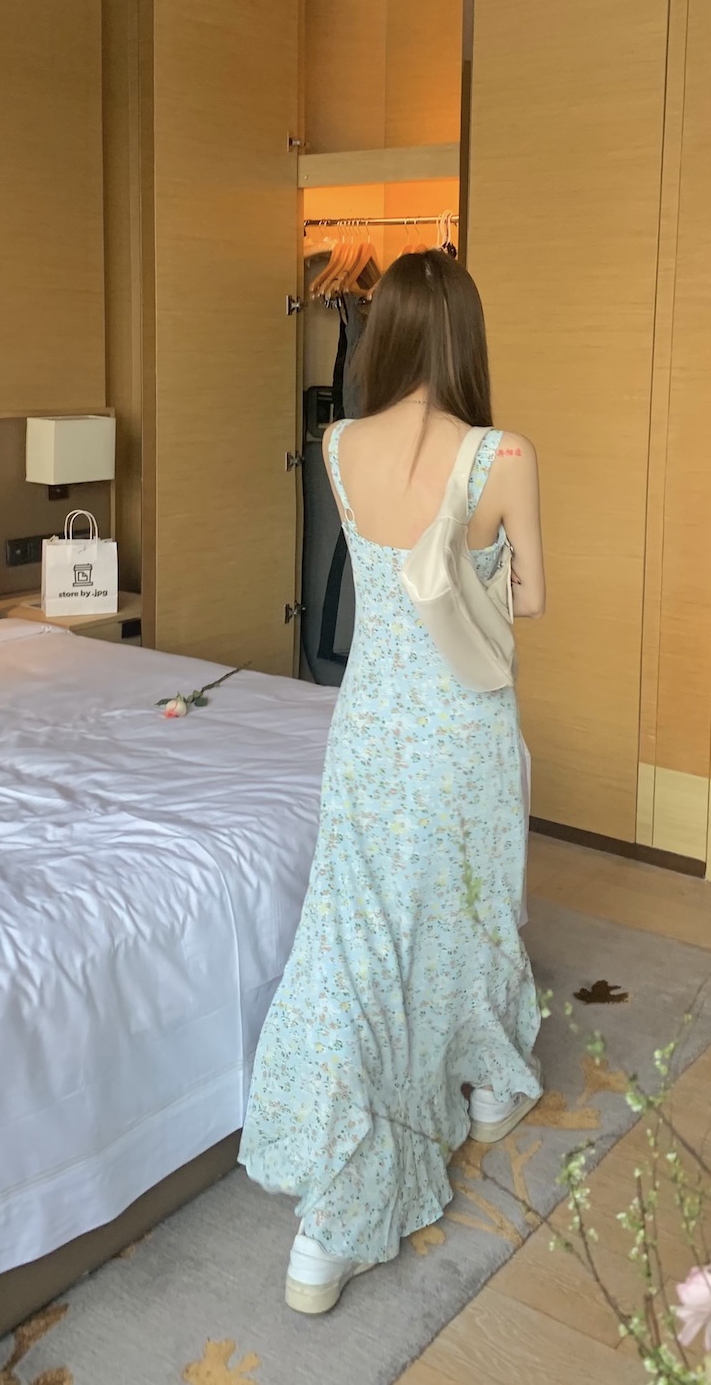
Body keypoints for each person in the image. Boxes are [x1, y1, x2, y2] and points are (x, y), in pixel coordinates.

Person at [238, 250, 546, 1316]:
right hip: (460, 733)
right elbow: (532, 598)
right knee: (463, 909)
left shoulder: (336, 445)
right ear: (465, 335)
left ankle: (321, 1233)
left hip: (367, 730)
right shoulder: (502, 454)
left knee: (358, 937)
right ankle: (484, 1087)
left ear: (385, 335)